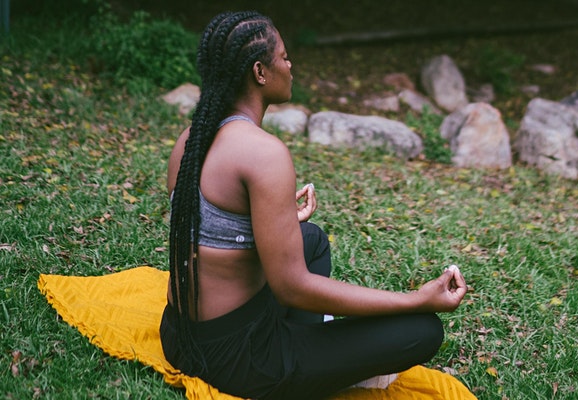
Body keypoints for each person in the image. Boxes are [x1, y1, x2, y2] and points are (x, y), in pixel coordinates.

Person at [159, 11, 467, 400]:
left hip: (179, 334)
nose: (290, 66)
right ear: (260, 72)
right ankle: (307, 369)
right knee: (422, 330)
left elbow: (206, 230)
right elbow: (292, 289)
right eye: (284, 57)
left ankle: (310, 351)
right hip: (238, 359)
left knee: (312, 239)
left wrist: (276, 218)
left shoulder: (192, 137)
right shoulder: (263, 153)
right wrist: (415, 299)